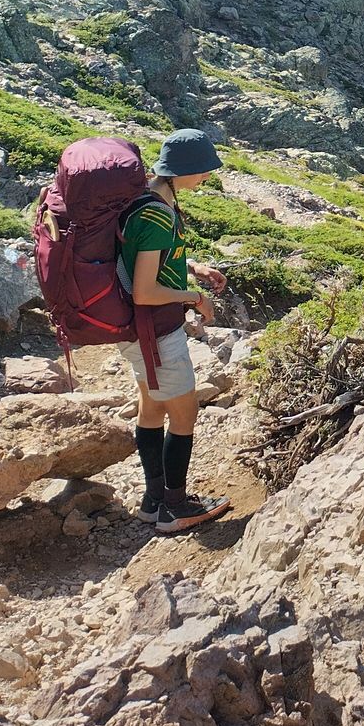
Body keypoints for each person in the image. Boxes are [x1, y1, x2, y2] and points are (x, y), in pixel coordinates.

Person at [121, 128, 233, 534]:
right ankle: (175, 506)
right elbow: (145, 290)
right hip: (156, 330)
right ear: (181, 171)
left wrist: (193, 268)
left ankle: (153, 501)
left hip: (137, 333)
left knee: (152, 409)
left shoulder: (147, 201)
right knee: (183, 415)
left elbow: (143, 263)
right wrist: (194, 298)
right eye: (202, 170)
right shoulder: (156, 215)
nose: (206, 177)